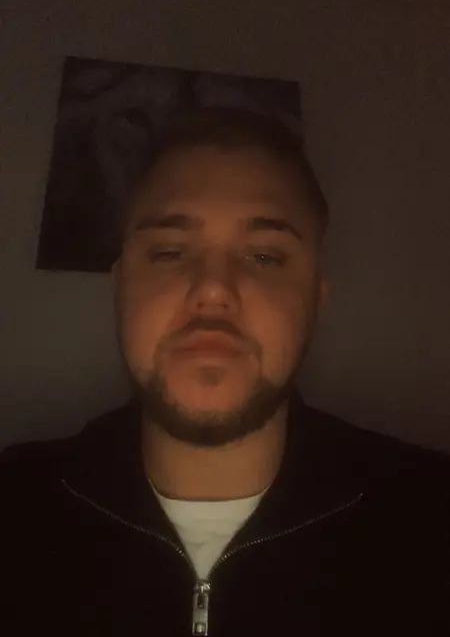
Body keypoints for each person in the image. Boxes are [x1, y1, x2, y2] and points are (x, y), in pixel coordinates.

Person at [1, 107, 448, 636]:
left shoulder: (430, 517)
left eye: (264, 257)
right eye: (170, 252)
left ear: (315, 299)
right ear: (120, 289)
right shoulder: (15, 507)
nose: (213, 290)